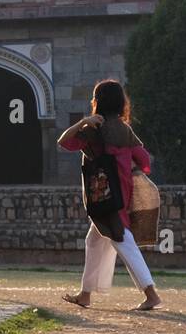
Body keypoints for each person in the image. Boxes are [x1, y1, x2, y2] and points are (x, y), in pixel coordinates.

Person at [57, 79, 163, 311]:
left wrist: (83, 122)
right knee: (94, 240)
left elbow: (63, 141)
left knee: (122, 239)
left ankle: (151, 294)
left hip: (102, 196)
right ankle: (85, 294)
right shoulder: (124, 129)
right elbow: (144, 161)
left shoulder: (92, 129)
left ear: (97, 101)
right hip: (120, 192)